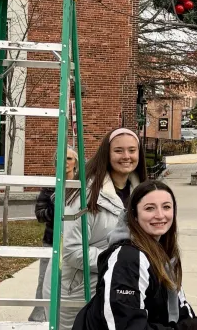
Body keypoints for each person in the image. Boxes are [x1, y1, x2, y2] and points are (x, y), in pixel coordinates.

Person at [74, 180, 197, 330]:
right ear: (134, 215)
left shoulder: (164, 252)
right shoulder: (128, 259)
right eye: (149, 208)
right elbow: (123, 325)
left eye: (166, 207)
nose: (160, 215)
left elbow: (182, 308)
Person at [50, 128, 146, 330]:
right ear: (106, 154)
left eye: (132, 150)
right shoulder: (85, 195)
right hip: (78, 290)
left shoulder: (141, 193)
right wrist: (119, 261)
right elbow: (71, 251)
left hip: (117, 286)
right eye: (118, 150)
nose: (126, 156)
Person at [29, 148, 79, 322]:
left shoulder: (82, 185)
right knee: (45, 281)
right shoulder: (49, 187)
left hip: (76, 242)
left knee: (74, 283)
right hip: (52, 241)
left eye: (69, 158)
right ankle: (38, 319)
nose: (65, 162)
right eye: (60, 158)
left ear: (75, 162)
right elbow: (40, 215)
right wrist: (55, 204)